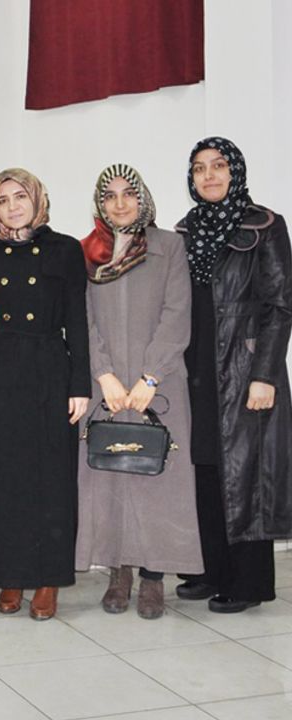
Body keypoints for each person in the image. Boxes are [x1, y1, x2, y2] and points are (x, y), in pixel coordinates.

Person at [74, 164, 200, 620]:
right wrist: (104, 374)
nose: (120, 203)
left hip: (158, 387)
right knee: (110, 477)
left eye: (128, 193)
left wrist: (150, 377)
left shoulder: (169, 246)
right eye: (109, 196)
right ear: (100, 205)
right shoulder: (89, 253)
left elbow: (177, 312)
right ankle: (119, 572)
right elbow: (83, 320)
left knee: (160, 480)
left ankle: (152, 576)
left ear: (142, 197)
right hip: (106, 387)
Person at [174, 137, 292, 613]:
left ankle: (248, 582)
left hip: (244, 367)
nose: (209, 175)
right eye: (199, 168)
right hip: (197, 366)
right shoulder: (186, 231)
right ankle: (211, 570)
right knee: (205, 466)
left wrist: (265, 374)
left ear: (235, 171)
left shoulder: (264, 226)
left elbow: (281, 305)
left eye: (218, 165)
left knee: (246, 474)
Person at [0, 168, 89, 621]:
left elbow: (77, 320)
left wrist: (80, 384)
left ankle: (48, 578)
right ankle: (11, 574)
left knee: (51, 478)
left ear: (38, 199)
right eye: (2, 200)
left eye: (20, 196)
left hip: (48, 370)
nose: (12, 206)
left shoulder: (66, 249)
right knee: (5, 478)